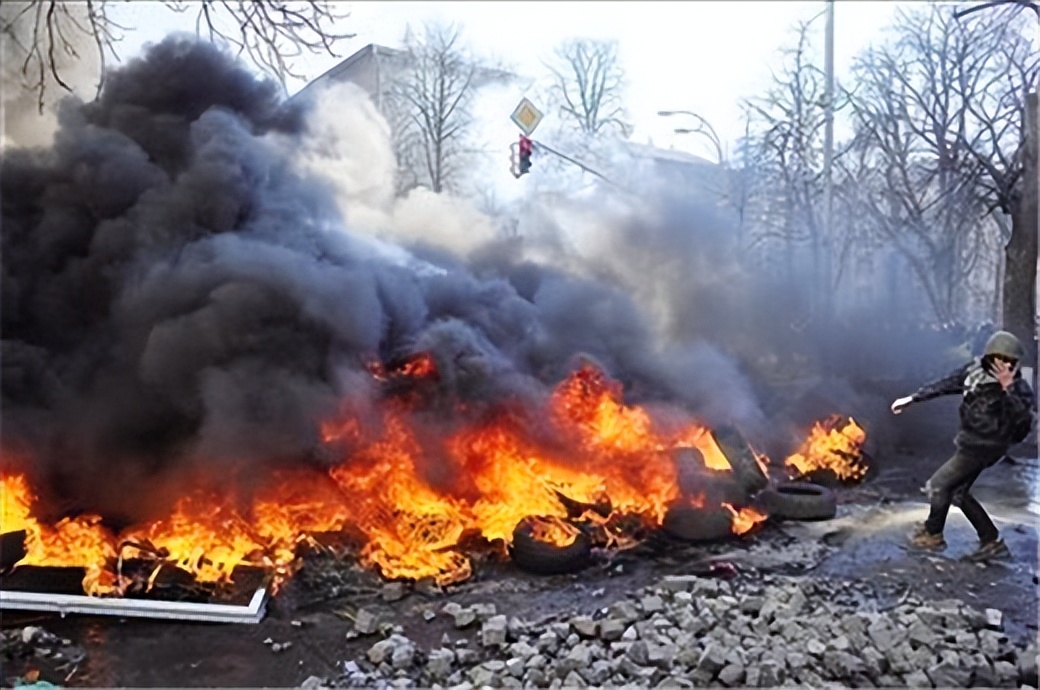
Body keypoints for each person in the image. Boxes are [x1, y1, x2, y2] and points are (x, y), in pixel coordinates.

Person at [890, 330, 1036, 561]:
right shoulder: (974, 372)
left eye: (1009, 361)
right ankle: (991, 541)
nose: (1004, 365)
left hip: (987, 446)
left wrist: (1007, 389)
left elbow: (1023, 418)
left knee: (938, 485)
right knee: (958, 492)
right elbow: (947, 384)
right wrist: (913, 398)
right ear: (989, 357)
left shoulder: (1018, 388)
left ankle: (932, 534)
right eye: (999, 358)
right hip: (970, 441)